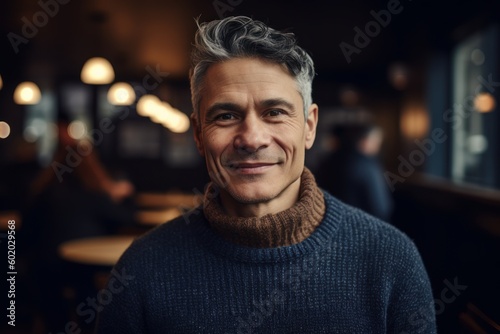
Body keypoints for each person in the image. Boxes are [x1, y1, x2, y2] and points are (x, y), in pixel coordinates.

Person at [96, 16, 436, 333]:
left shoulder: (391, 259)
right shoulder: (141, 270)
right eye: (226, 116)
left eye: (274, 112)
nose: (252, 139)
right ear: (199, 135)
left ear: (309, 127)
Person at [316, 122, 394, 221]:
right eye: (375, 142)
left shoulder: (328, 161)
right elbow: (381, 207)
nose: (377, 147)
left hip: (330, 222)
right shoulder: (367, 166)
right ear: (364, 141)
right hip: (363, 225)